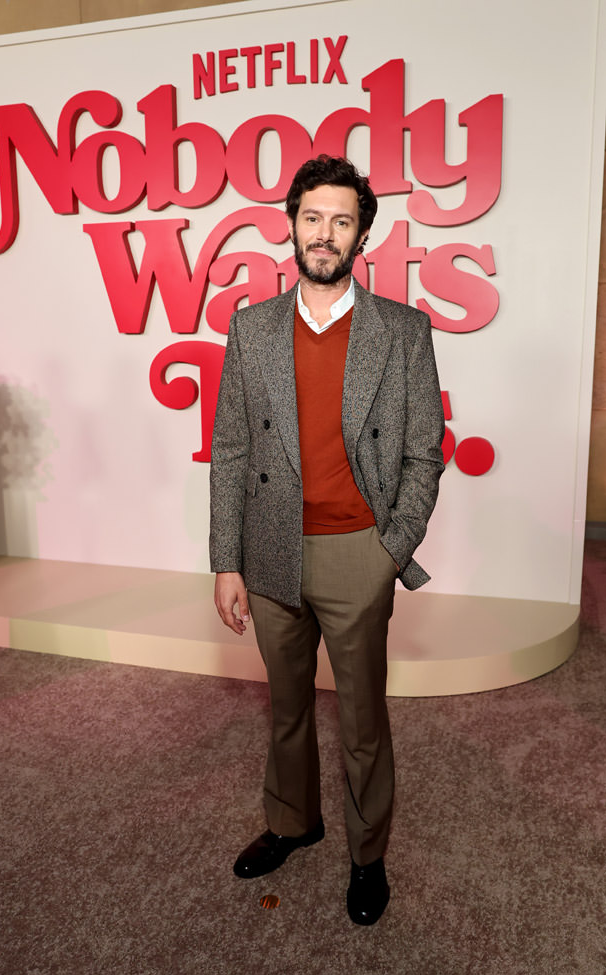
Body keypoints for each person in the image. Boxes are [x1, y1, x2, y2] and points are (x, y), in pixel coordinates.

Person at [209, 154, 444, 926]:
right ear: (291, 224)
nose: (324, 232)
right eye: (313, 217)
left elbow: (424, 451)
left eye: (342, 220)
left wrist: (390, 548)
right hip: (271, 547)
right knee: (285, 706)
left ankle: (368, 854)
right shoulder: (250, 328)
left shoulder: (402, 330)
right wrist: (227, 561)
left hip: (357, 551)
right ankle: (292, 822)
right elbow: (232, 450)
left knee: (363, 720)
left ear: (361, 236)